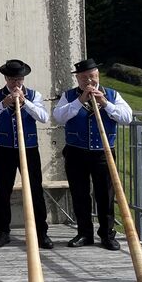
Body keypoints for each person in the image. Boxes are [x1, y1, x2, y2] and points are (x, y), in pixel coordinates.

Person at [53, 58, 134, 250]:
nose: (88, 82)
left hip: (103, 153)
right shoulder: (69, 96)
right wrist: (80, 101)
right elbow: (59, 117)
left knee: (105, 195)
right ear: (78, 80)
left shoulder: (112, 95)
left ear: (97, 76)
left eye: (92, 77)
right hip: (76, 152)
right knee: (80, 193)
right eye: (83, 78)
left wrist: (105, 103)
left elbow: (127, 118)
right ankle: (84, 233)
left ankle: (107, 235)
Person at [0, 59, 52, 249]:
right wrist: (3, 103)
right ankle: (3, 231)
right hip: (5, 149)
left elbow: (43, 118)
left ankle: (41, 232)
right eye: (12, 80)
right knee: (3, 191)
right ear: (6, 78)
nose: (16, 83)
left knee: (35, 190)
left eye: (19, 79)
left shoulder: (34, 95)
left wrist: (25, 102)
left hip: (29, 149)